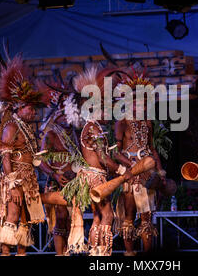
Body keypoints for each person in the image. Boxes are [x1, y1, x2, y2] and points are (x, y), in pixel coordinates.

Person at [61, 66, 133, 256]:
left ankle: (96, 251)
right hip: (95, 179)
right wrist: (121, 171)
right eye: (106, 110)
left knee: (97, 216)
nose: (109, 114)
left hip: (92, 177)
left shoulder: (93, 128)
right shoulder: (93, 129)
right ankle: (102, 253)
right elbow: (103, 158)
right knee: (107, 215)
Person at [0, 56, 46, 256]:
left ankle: (21, 255)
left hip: (28, 178)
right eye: (29, 108)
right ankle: (6, 254)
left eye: (33, 108)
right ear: (18, 108)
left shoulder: (27, 128)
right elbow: (6, 158)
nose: (33, 112)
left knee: (25, 221)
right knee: (12, 218)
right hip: (15, 179)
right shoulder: (11, 126)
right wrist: (13, 185)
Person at [113, 70, 166, 256]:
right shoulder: (122, 122)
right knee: (129, 216)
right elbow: (115, 153)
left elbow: (152, 149)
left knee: (147, 217)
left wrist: (160, 171)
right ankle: (130, 254)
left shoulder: (148, 123)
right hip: (130, 173)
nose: (142, 104)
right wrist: (132, 166)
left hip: (147, 171)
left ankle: (147, 256)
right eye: (137, 100)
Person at [38, 79, 80, 256]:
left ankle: (68, 252)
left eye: (67, 114)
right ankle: (59, 254)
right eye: (62, 114)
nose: (65, 117)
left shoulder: (75, 134)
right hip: (57, 182)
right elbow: (40, 161)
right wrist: (55, 176)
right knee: (60, 218)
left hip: (74, 182)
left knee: (72, 220)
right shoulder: (51, 135)